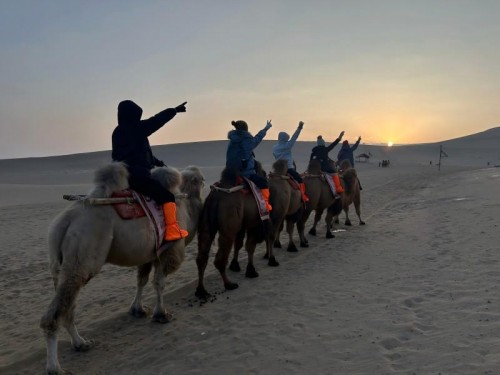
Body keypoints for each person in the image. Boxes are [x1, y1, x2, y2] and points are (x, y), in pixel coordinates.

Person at [112, 99, 189, 243]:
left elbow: (135, 153)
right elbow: (156, 121)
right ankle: (172, 231)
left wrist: (157, 162)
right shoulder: (136, 128)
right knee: (167, 197)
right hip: (137, 177)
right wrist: (174, 110)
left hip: (121, 176)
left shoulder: (118, 132)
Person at [226, 119, 273, 211]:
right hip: (244, 172)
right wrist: (266, 128)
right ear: (246, 129)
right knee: (263, 182)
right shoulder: (246, 139)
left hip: (230, 171)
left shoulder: (232, 139)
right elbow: (257, 138)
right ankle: (265, 205)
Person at [272, 121, 308, 201]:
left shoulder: (274, 147)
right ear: (286, 139)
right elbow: (294, 137)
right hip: (288, 168)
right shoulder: (287, 146)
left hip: (278, 169)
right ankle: (303, 196)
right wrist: (299, 128)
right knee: (300, 180)